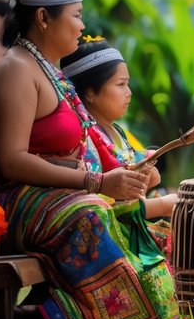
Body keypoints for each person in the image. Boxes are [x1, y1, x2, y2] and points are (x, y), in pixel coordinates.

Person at [0, 0, 173, 319]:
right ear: (44, 17)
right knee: (92, 216)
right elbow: (15, 161)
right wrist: (96, 185)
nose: (82, 25)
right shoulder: (16, 72)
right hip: (10, 195)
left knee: (129, 214)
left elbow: (77, 148)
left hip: (48, 190)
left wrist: (125, 174)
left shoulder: (47, 70)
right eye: (76, 15)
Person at [61, 37, 176, 221]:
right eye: (121, 84)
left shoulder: (117, 131)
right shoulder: (84, 139)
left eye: (127, 83)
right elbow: (102, 209)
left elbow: (150, 179)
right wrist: (162, 205)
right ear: (91, 93)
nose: (128, 92)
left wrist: (149, 173)